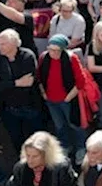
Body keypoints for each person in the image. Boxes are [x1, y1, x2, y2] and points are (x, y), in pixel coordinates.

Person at [37, 35, 87, 165]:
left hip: (67, 100)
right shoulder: (44, 57)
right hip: (51, 100)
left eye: (56, 50)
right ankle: (65, 146)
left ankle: (81, 148)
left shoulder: (71, 59)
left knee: (75, 125)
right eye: (51, 49)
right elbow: (39, 77)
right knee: (59, 126)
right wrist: (44, 93)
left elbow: (81, 81)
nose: (53, 53)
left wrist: (68, 98)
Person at [0, 29, 44, 151]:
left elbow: (28, 83)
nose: (0, 47)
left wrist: (5, 83)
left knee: (36, 140)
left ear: (14, 43)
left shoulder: (27, 56)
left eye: (3, 44)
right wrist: (16, 82)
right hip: (8, 108)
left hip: (29, 106)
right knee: (16, 140)